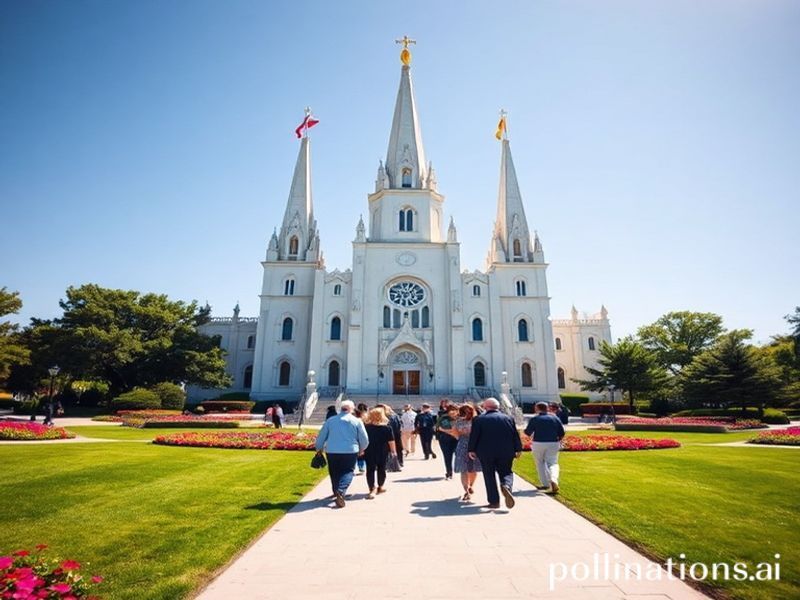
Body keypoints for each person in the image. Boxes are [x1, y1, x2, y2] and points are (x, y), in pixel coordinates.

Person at [468, 398, 522, 509]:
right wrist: (518, 448)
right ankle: (506, 485)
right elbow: (514, 435)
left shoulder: (478, 419)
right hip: (506, 451)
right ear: (498, 407)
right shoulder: (508, 418)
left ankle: (494, 502)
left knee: (489, 475)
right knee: (506, 472)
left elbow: (474, 436)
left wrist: (471, 449)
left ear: (485, 407)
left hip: (486, 452)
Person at [315, 399, 369, 508]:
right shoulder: (357, 421)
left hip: (332, 450)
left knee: (334, 471)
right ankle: (341, 490)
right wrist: (361, 449)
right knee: (348, 471)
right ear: (352, 409)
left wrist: (319, 448)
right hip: (350, 451)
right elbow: (364, 438)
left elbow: (321, 436)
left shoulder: (331, 420)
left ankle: (336, 491)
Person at [524, 401, 566, 494]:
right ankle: (553, 479)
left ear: (537, 408)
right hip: (553, 442)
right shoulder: (555, 418)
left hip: (538, 442)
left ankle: (545, 484)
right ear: (547, 408)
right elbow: (562, 433)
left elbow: (528, 433)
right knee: (553, 463)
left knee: (539, 463)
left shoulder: (535, 419)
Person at [363, 407, 398, 498]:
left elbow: (362, 439)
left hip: (369, 450)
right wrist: (393, 451)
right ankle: (380, 486)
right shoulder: (387, 428)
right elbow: (391, 441)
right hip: (383, 451)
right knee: (381, 468)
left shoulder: (366, 427)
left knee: (370, 469)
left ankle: (372, 488)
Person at [453, 403, 481, 502]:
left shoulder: (458, 422)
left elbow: (456, 435)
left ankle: (466, 490)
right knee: (473, 469)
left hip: (462, 445)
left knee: (463, 469)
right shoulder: (477, 421)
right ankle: (471, 486)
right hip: (475, 446)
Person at [436, 403, 460, 479]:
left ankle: (458, 469)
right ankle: (449, 472)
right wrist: (452, 432)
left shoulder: (460, 418)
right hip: (444, 439)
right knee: (447, 456)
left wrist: (453, 431)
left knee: (458, 455)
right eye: (451, 410)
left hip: (456, 440)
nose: (453, 412)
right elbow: (440, 428)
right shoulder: (444, 418)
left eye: (455, 410)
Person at [354, 403, 369, 474]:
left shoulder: (357, 417)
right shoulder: (367, 416)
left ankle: (359, 466)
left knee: (358, 452)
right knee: (363, 451)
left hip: (357, 436)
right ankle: (362, 466)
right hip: (366, 435)